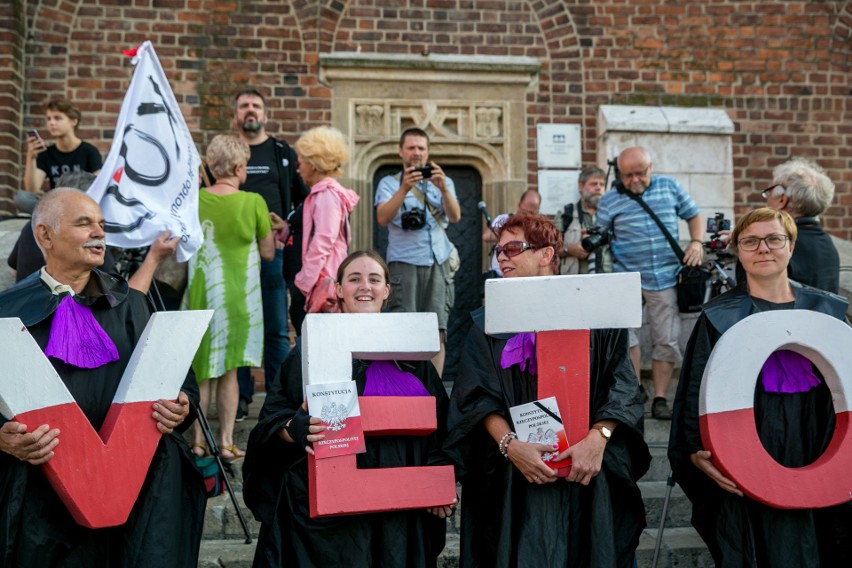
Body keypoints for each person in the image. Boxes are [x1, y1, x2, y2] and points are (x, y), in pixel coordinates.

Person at [0, 188, 205, 566]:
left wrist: (182, 405)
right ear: (45, 235)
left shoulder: (133, 304)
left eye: (101, 224)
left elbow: (181, 381)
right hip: (43, 503)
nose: (99, 233)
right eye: (84, 223)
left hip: (131, 492)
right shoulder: (6, 312)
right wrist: (2, 438)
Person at [443, 213, 650, 568]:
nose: (502, 257)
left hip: (586, 466)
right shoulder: (487, 322)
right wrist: (511, 446)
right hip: (514, 474)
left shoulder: (596, 313)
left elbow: (623, 384)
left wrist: (598, 439)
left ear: (546, 254)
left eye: (513, 248)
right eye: (498, 250)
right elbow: (475, 395)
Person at [243, 250, 451, 568]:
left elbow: (445, 428)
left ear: (387, 290)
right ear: (339, 289)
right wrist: (295, 428)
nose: (364, 286)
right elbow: (271, 423)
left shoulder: (415, 359)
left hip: (399, 516)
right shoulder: (308, 354)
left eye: (374, 279)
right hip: (330, 525)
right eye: (354, 279)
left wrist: (438, 481)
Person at [668, 207, 852, 566]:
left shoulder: (827, 311)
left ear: (791, 246)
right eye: (750, 241)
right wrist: (693, 449)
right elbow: (694, 389)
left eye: (773, 239)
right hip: (748, 442)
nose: (763, 249)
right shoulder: (718, 316)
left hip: (819, 435)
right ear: (738, 249)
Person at [182, 134, 274, 462]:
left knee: (202, 370)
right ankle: (225, 442)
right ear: (238, 167)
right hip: (239, 299)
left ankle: (197, 442)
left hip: (202, 296)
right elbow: (267, 252)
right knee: (230, 372)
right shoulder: (254, 203)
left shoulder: (194, 201)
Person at [596, 147, 705, 419]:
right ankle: (633, 392)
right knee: (626, 339)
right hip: (627, 278)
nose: (634, 180)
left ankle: (660, 398)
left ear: (651, 168)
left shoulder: (669, 187)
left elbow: (693, 214)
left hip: (666, 276)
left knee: (666, 339)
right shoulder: (609, 200)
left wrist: (697, 242)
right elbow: (600, 238)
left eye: (640, 174)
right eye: (627, 176)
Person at [229, 88, 309, 420]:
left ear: (265, 114)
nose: (250, 110)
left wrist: (287, 223)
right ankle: (243, 396)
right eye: (244, 106)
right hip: (233, 253)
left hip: (273, 254)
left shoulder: (281, 152)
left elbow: (305, 200)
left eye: (256, 106)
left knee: (276, 328)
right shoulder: (228, 152)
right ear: (236, 115)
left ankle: (279, 395)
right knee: (241, 326)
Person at [375, 128, 461, 375]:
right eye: (411, 147)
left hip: (438, 262)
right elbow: (382, 218)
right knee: (403, 331)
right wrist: (403, 189)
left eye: (421, 148)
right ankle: (407, 394)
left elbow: (455, 217)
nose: (416, 153)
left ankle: (434, 397)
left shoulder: (443, 182)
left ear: (428, 152)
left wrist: (443, 188)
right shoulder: (389, 183)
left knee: (437, 332)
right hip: (404, 264)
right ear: (400, 151)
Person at [291, 126, 360, 318]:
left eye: (301, 162)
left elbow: (323, 240)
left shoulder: (327, 195)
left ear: (313, 164)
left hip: (322, 281)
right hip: (322, 279)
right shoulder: (323, 194)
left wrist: (305, 281)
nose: (299, 168)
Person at [760, 157, 840, 294]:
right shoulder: (827, 243)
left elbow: (751, 301)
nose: (767, 198)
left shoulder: (778, 245)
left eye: (769, 191)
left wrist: (746, 246)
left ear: (782, 200)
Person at [22, 98, 102, 209]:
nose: (51, 123)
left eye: (57, 118)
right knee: (21, 198)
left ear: (74, 121)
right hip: (56, 206)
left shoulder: (89, 151)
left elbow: (98, 186)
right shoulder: (46, 154)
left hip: (81, 204)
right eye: (49, 119)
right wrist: (31, 157)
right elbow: (32, 190)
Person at [555, 166, 612, 275]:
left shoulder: (612, 215)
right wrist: (569, 249)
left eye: (602, 184)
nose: (598, 188)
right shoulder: (566, 214)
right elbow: (549, 248)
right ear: (580, 186)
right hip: (573, 283)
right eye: (593, 184)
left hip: (608, 281)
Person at [482, 189, 541, 276]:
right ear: (519, 205)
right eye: (526, 211)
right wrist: (509, 233)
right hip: (498, 272)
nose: (528, 216)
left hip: (523, 274)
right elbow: (486, 236)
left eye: (532, 212)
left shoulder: (539, 226)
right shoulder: (504, 218)